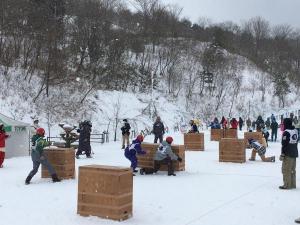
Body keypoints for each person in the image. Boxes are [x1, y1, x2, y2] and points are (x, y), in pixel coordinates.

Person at [279, 118, 299, 190]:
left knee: (286, 169)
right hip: (294, 152)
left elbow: (284, 144)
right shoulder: (295, 131)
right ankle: (293, 184)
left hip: (288, 153)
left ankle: (287, 185)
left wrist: (282, 154)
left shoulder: (286, 132)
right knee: (292, 169)